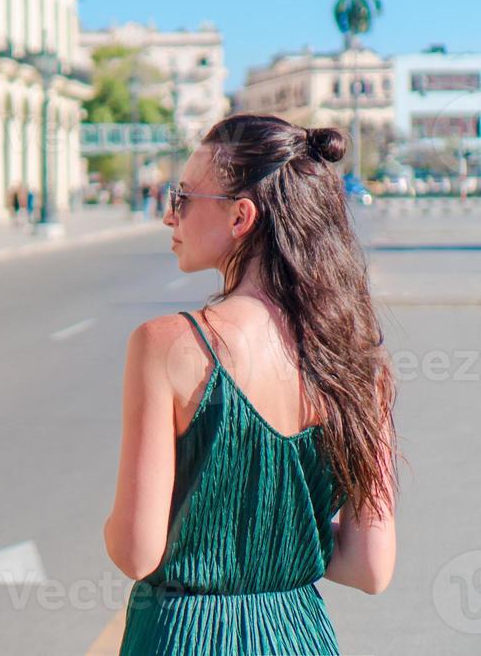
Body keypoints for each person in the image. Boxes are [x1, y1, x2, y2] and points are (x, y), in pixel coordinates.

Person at [105, 114, 397, 654]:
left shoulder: (168, 344)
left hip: (181, 636)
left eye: (184, 196)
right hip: (298, 634)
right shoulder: (359, 361)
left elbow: (136, 551)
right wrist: (279, 536)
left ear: (241, 216)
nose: (170, 213)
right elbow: (369, 566)